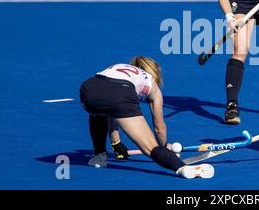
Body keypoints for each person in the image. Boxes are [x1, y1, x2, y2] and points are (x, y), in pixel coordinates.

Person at [79, 56, 214, 179]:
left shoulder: (119, 67)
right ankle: (183, 168)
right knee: (150, 147)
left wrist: (116, 143)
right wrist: (164, 146)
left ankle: (99, 156)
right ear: (154, 73)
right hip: (120, 92)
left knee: (98, 111)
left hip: (88, 90)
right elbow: (159, 127)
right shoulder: (151, 83)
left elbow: (110, 108)